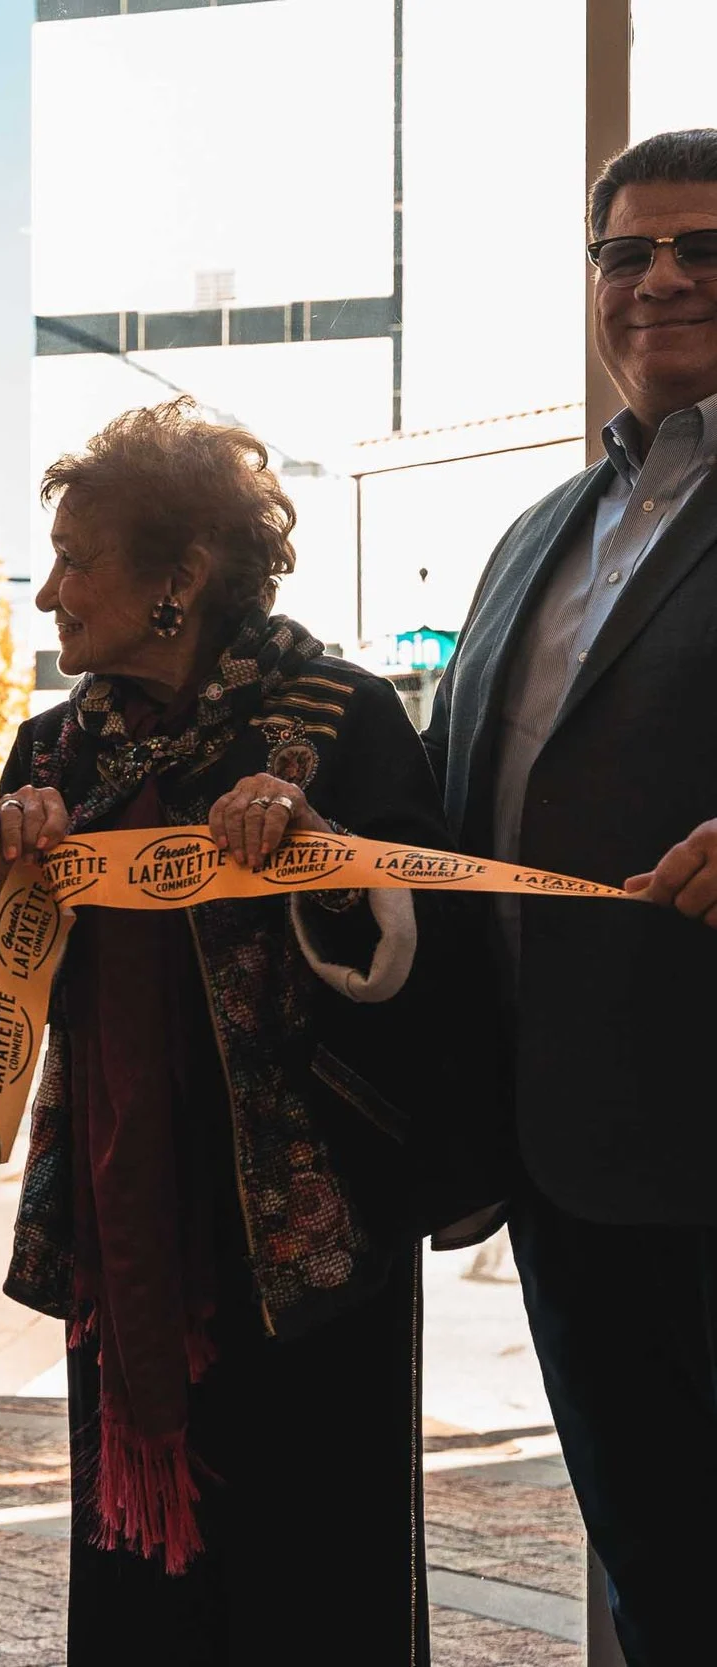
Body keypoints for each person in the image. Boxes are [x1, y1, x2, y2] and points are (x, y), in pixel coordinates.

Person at [0, 399, 470, 1664]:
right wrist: (6, 879)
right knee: (142, 1583)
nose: (50, 593)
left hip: (305, 1245)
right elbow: (0, 1001)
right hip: (126, 1230)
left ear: (177, 578)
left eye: (78, 557)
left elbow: (430, 970)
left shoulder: (338, 719)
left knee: (316, 1574)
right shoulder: (51, 749)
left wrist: (322, 861)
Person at [422, 128, 717, 1667]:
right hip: (563, 1162)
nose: (660, 276)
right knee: (664, 1570)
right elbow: (431, 802)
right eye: (625, 252)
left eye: (701, 248)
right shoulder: (533, 534)